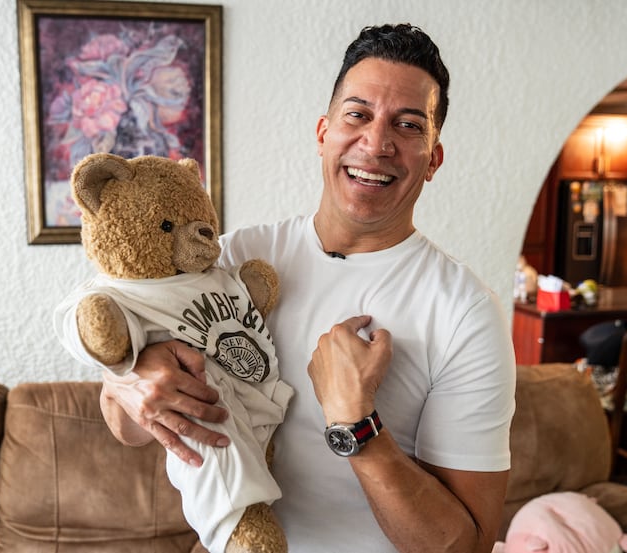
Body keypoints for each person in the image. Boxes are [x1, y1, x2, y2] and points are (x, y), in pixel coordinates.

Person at [98, 23, 516, 553]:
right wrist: (134, 386)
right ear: (324, 132)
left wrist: (357, 424)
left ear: (432, 159)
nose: (377, 143)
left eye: (408, 125)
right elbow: (124, 426)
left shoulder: (466, 312)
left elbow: (467, 546)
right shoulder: (232, 257)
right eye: (358, 115)